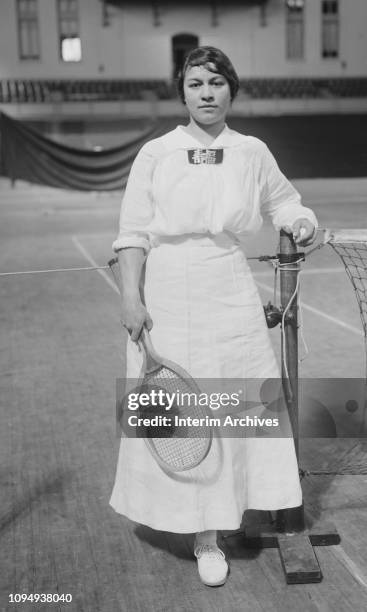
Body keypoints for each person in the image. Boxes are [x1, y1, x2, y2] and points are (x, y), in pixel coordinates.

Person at [109, 46, 317, 587]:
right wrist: (131, 297)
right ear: (182, 91)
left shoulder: (252, 151)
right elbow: (132, 234)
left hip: (229, 287)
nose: (206, 92)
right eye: (196, 83)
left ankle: (241, 511)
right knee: (186, 413)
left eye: (217, 82)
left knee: (243, 400)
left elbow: (284, 202)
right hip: (171, 291)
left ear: (232, 90)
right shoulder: (156, 153)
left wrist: (301, 220)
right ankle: (204, 536)